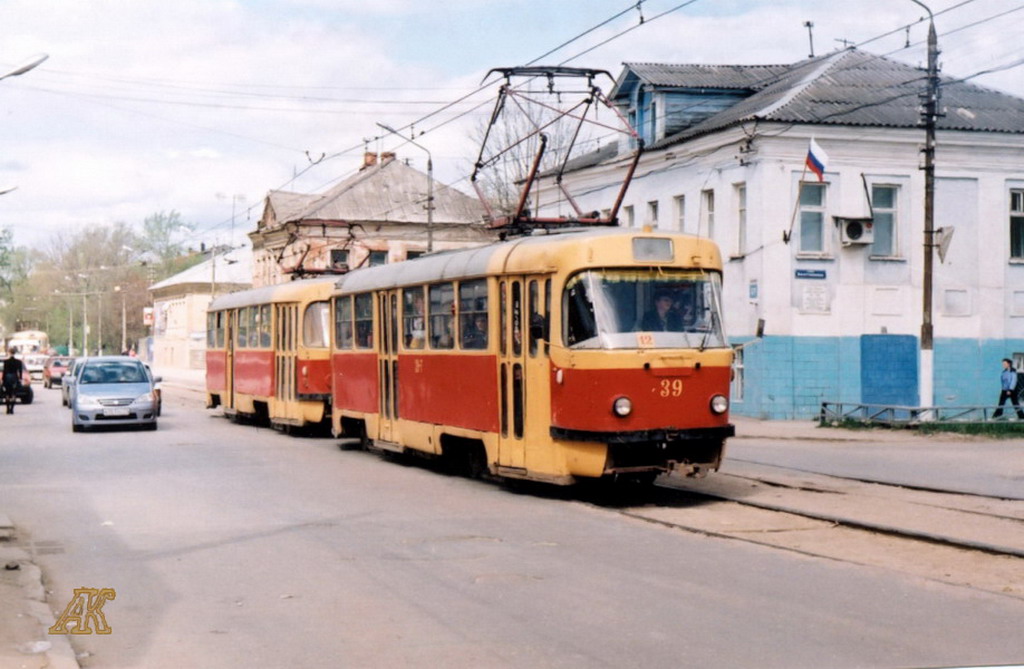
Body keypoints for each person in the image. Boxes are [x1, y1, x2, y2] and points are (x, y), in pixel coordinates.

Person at [2, 349, 25, 414]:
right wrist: (20, 379)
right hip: (14, 378)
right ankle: (12, 409)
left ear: (9, 353)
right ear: (14, 353)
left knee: (7, 394)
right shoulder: (18, 362)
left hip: (7, 378)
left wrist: (3, 380)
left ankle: (7, 409)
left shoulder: (6, 362)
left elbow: (4, 371)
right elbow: (20, 371)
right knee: (13, 394)